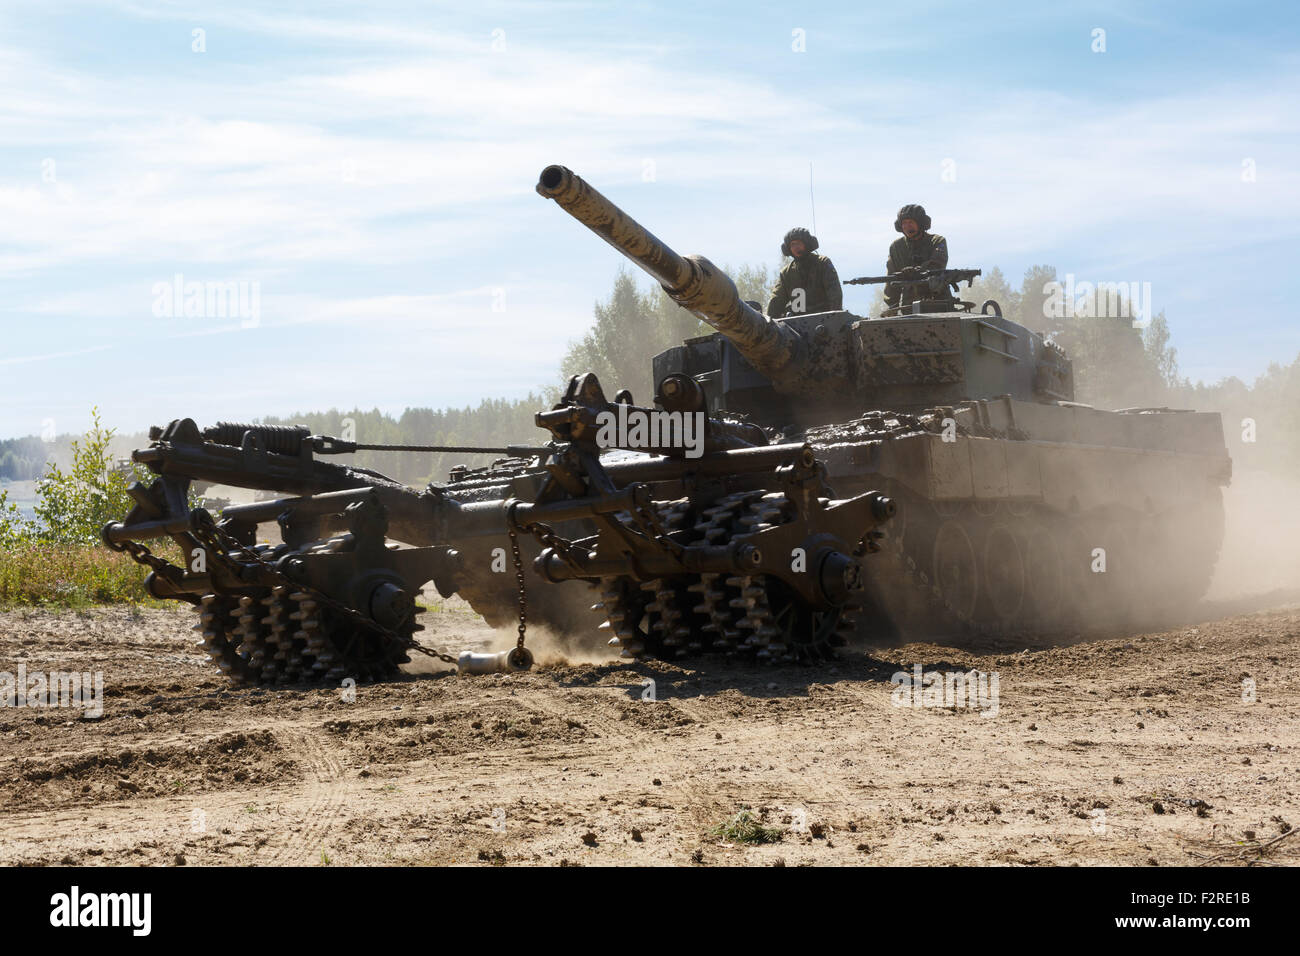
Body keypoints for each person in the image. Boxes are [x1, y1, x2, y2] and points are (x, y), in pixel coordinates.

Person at [884, 205, 950, 310]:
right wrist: (892, 307)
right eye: (904, 223)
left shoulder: (937, 241)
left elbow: (937, 265)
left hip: (939, 302)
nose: (907, 226)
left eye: (910, 222)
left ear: (920, 223)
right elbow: (891, 280)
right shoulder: (896, 247)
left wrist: (917, 271)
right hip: (909, 306)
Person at [766, 227, 842, 317]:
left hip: (824, 319)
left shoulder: (822, 263)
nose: (796, 247)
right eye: (792, 244)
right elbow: (777, 300)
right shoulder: (786, 273)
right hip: (796, 324)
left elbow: (834, 294)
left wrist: (834, 318)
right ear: (788, 249)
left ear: (807, 244)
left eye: (799, 243)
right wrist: (768, 323)